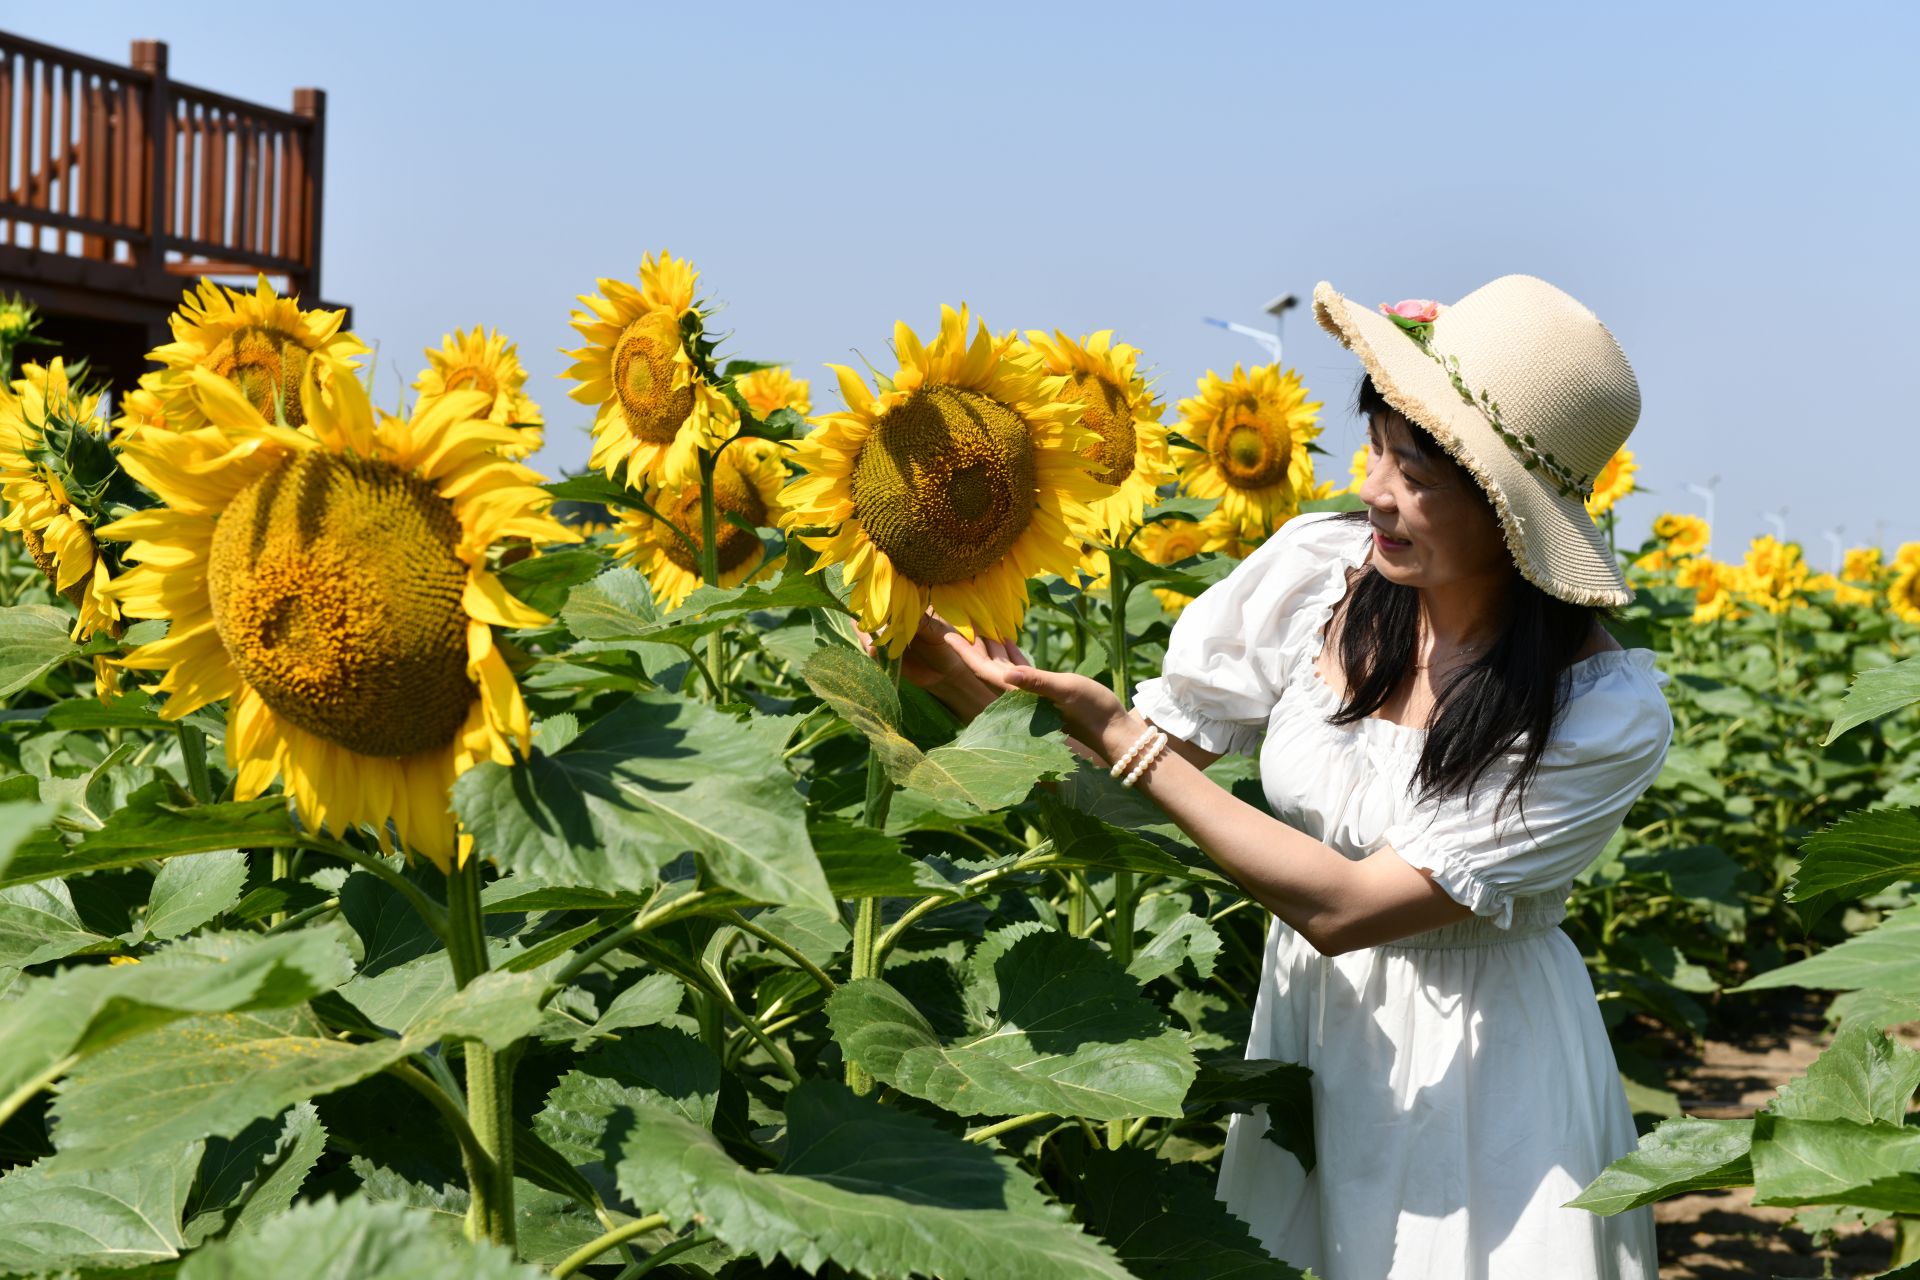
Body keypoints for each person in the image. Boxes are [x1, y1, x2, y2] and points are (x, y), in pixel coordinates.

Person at [895, 275, 1668, 1279]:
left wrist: (1118, 729)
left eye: (1419, 472)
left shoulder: (1597, 710)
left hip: (1485, 1073)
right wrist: (973, 690)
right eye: (1377, 447)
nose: (1378, 491)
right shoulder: (1321, 575)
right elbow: (1123, 788)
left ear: (1511, 510)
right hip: (1308, 1037)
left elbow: (1348, 907)